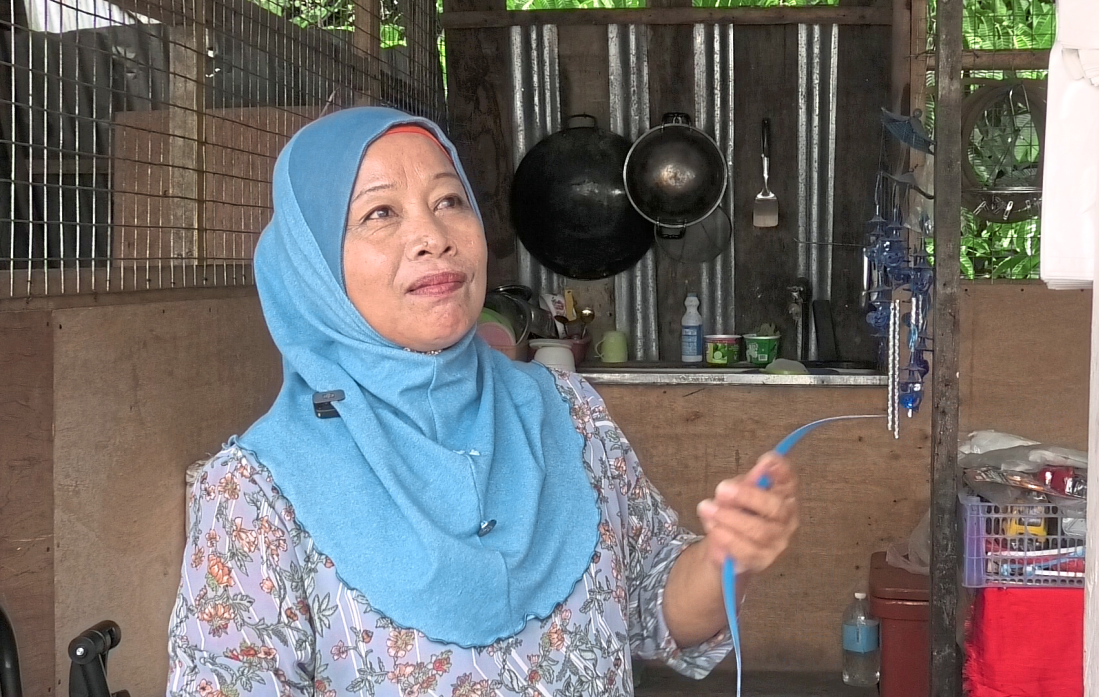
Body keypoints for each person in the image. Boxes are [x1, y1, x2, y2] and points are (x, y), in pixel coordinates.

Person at [166, 107, 799, 697]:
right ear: (314, 267)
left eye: (449, 200)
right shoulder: (255, 494)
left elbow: (654, 605)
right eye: (380, 213)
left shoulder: (569, 413)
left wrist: (727, 557)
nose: (432, 236)